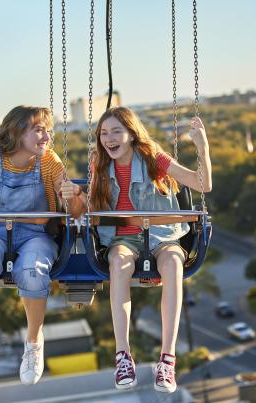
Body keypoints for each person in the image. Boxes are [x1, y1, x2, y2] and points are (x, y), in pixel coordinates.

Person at [0, 105, 84, 385]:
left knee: (32, 271)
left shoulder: (49, 162)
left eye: (48, 130)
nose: (46, 136)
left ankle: (33, 342)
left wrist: (72, 196)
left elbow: (77, 212)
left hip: (36, 234)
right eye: (38, 129)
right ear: (17, 131)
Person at [87, 107, 212, 393]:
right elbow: (93, 207)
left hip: (161, 234)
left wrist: (202, 149)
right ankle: (123, 356)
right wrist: (76, 197)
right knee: (118, 263)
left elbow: (203, 184)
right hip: (123, 238)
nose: (109, 139)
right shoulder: (99, 163)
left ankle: (167, 360)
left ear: (132, 133)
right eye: (104, 133)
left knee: (172, 262)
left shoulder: (153, 157)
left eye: (116, 131)